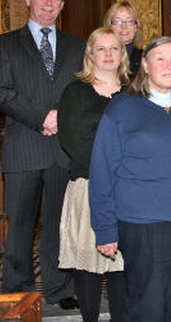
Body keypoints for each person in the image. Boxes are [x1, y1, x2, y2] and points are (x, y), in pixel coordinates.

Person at [89, 37, 171, 322]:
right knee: (148, 301)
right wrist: (105, 228)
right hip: (143, 223)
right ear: (145, 66)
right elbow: (102, 171)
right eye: (160, 58)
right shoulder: (122, 108)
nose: (169, 65)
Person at [0, 0, 85, 309]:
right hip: (24, 145)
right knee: (20, 226)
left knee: (59, 225)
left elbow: (84, 90)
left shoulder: (77, 45)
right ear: (28, 0)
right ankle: (17, 289)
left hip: (62, 148)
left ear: (62, 5)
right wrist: (42, 116)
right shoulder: (5, 44)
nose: (48, 3)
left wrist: (62, 116)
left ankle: (58, 289)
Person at [57, 27, 128, 322]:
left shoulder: (135, 91)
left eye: (114, 48)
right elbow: (72, 140)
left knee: (122, 264)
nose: (109, 54)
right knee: (88, 263)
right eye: (101, 48)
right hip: (88, 184)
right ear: (91, 54)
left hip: (129, 188)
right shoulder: (75, 92)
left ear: (123, 54)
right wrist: (109, 172)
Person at [104, 1, 143, 79]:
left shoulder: (145, 59)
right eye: (118, 21)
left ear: (136, 27)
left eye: (129, 21)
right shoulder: (100, 56)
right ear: (109, 26)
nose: (124, 26)